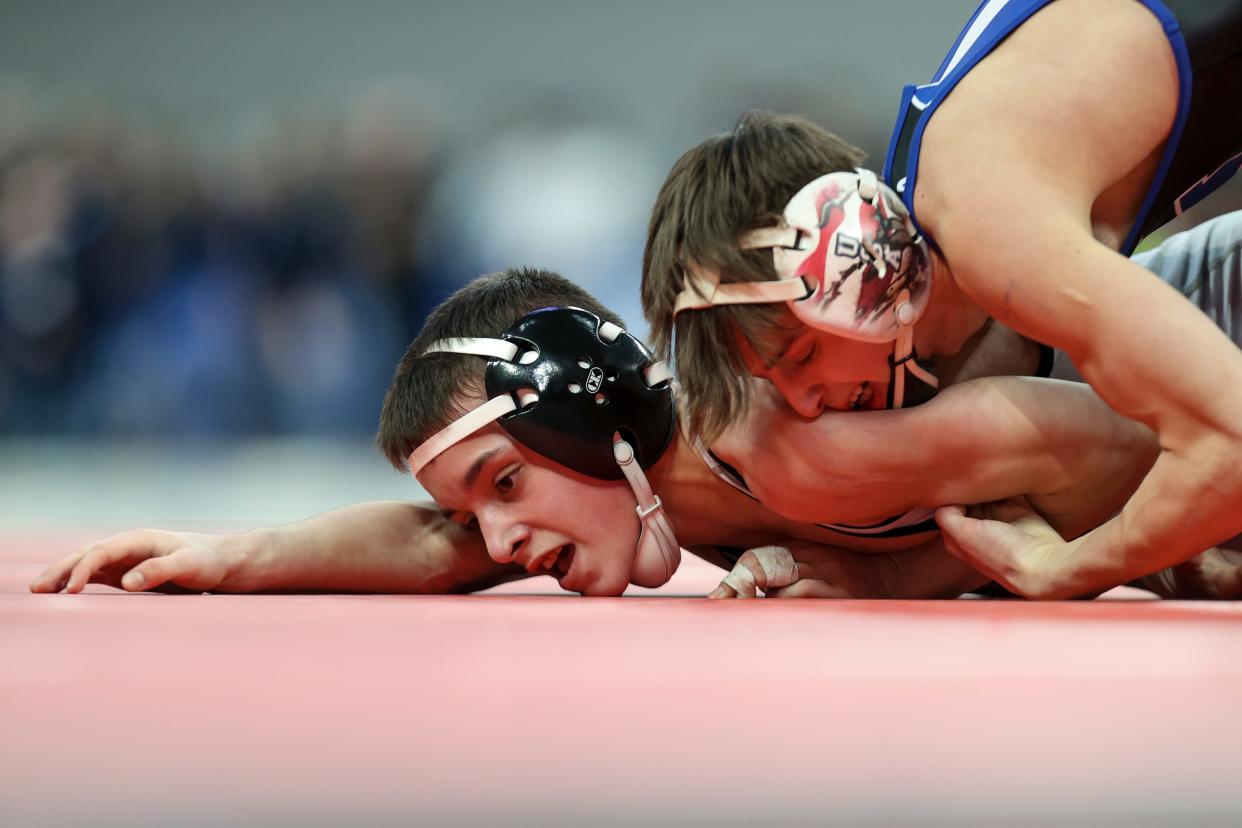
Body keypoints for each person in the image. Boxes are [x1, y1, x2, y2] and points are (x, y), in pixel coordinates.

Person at [35, 268, 1231, 600]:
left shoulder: (784, 439)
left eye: (503, 482)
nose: (499, 544)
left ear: (583, 409)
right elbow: (423, 545)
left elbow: (1099, 443)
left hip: (1192, 325)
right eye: (478, 512)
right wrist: (222, 558)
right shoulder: (634, 489)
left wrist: (1067, 568)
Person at [643, 0, 1242, 598]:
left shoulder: (991, 227)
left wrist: (1067, 567)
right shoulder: (957, 234)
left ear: (856, 264)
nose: (803, 405)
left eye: (798, 357)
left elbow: (1232, 441)